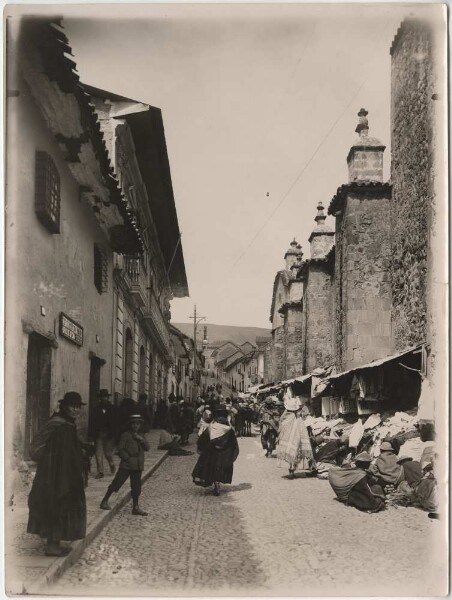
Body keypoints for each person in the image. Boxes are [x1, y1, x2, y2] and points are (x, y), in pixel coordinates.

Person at [27, 391, 87, 556]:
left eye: (77, 407)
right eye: (71, 406)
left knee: (66, 504)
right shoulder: (56, 423)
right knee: (56, 503)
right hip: (54, 474)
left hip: (68, 472)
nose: (75, 410)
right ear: (64, 407)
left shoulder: (70, 424)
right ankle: (52, 546)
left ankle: (57, 541)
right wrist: (49, 462)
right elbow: (35, 447)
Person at [100, 414, 149, 516]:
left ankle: (135, 507)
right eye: (134, 424)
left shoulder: (142, 435)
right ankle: (104, 501)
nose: (136, 426)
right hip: (126, 465)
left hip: (138, 465)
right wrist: (127, 458)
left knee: (136, 487)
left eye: (138, 424)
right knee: (117, 482)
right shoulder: (125, 435)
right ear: (130, 425)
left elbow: (147, 447)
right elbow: (120, 449)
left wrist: (141, 439)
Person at [192, 416, 239, 496]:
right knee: (220, 469)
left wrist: (201, 448)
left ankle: (215, 484)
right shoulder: (229, 430)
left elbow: (202, 439)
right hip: (224, 454)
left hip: (212, 453)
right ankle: (217, 484)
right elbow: (233, 443)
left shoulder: (211, 428)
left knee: (212, 469)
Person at [276, 396, 316, 479]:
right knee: (294, 453)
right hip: (296, 439)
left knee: (290, 453)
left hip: (287, 439)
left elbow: (281, 426)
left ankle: (291, 471)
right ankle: (292, 471)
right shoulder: (298, 417)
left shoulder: (286, 416)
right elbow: (302, 429)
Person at [90, 389, 117, 479]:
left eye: (106, 397)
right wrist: (91, 436)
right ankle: (100, 472)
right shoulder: (95, 409)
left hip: (109, 435)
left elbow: (116, 422)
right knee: (98, 454)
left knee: (108, 454)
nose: (104, 398)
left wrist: (114, 434)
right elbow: (92, 423)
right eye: (102, 397)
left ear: (108, 398)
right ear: (100, 398)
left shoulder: (113, 408)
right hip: (99, 435)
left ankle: (111, 463)